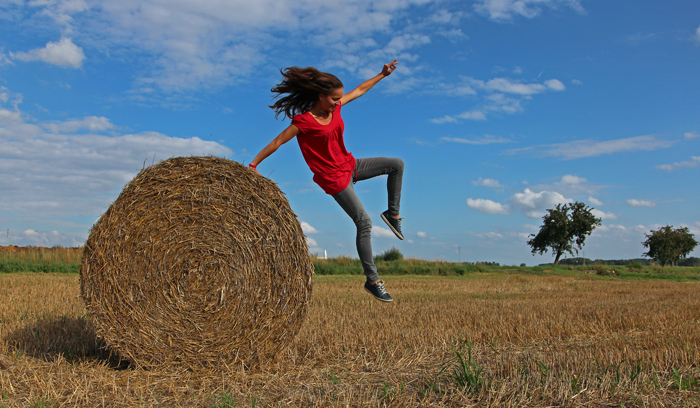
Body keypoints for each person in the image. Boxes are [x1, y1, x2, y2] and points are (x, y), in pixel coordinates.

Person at [249, 60, 404, 303]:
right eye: (334, 99)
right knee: (363, 222)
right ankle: (372, 280)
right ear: (321, 96)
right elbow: (277, 142)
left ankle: (392, 215)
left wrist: (382, 75)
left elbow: (360, 90)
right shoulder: (304, 122)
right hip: (333, 178)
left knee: (396, 164)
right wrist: (253, 164)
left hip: (350, 164)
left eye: (339, 99)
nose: (337, 103)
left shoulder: (335, 109)